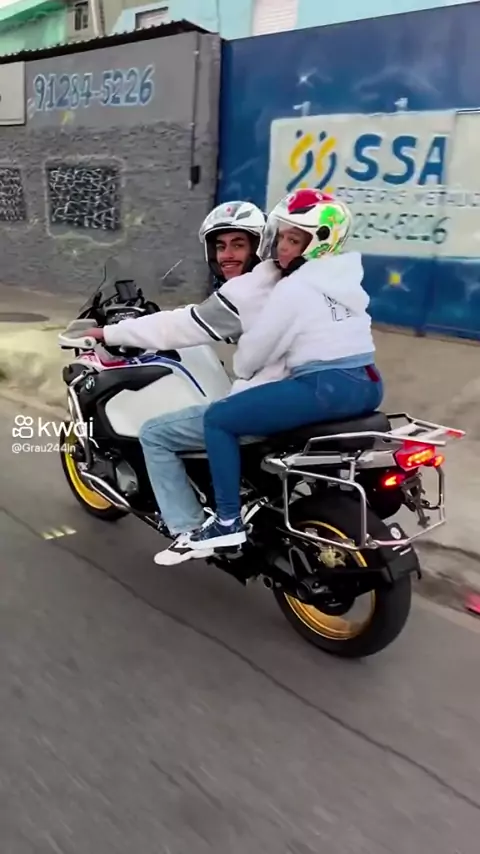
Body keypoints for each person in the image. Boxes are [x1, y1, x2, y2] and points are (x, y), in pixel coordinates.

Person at [177, 188, 384, 557]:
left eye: (294, 240)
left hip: (325, 387)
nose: (282, 247)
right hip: (368, 382)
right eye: (282, 237)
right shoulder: (344, 279)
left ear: (317, 244)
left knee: (219, 419)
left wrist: (243, 362)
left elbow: (251, 357)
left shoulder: (294, 288)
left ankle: (227, 521)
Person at [82, 200, 288, 564]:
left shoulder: (247, 294)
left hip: (271, 402)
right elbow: (209, 321)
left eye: (238, 244)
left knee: (155, 433)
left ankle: (188, 528)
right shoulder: (284, 284)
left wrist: (110, 332)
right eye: (220, 246)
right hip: (309, 395)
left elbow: (181, 326)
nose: (227, 254)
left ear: (259, 247)